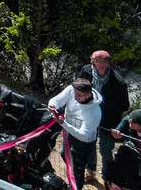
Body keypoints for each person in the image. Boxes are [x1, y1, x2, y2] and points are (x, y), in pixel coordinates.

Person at [50, 70, 103, 188]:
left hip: (84, 141)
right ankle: (73, 176)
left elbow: (84, 135)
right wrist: (53, 105)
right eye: (74, 93)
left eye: (78, 95)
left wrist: (63, 123)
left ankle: (76, 185)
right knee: (64, 154)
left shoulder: (94, 112)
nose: (75, 96)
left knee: (77, 169)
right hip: (69, 132)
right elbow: (57, 100)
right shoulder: (72, 90)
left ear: (88, 95)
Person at [87, 51, 130, 183]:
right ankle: (90, 173)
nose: (99, 64)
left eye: (103, 61)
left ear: (108, 63)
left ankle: (108, 178)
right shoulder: (86, 71)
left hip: (108, 122)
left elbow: (125, 105)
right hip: (89, 116)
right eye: (96, 61)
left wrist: (106, 108)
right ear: (92, 61)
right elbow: (77, 88)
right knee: (89, 145)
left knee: (105, 150)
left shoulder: (118, 82)